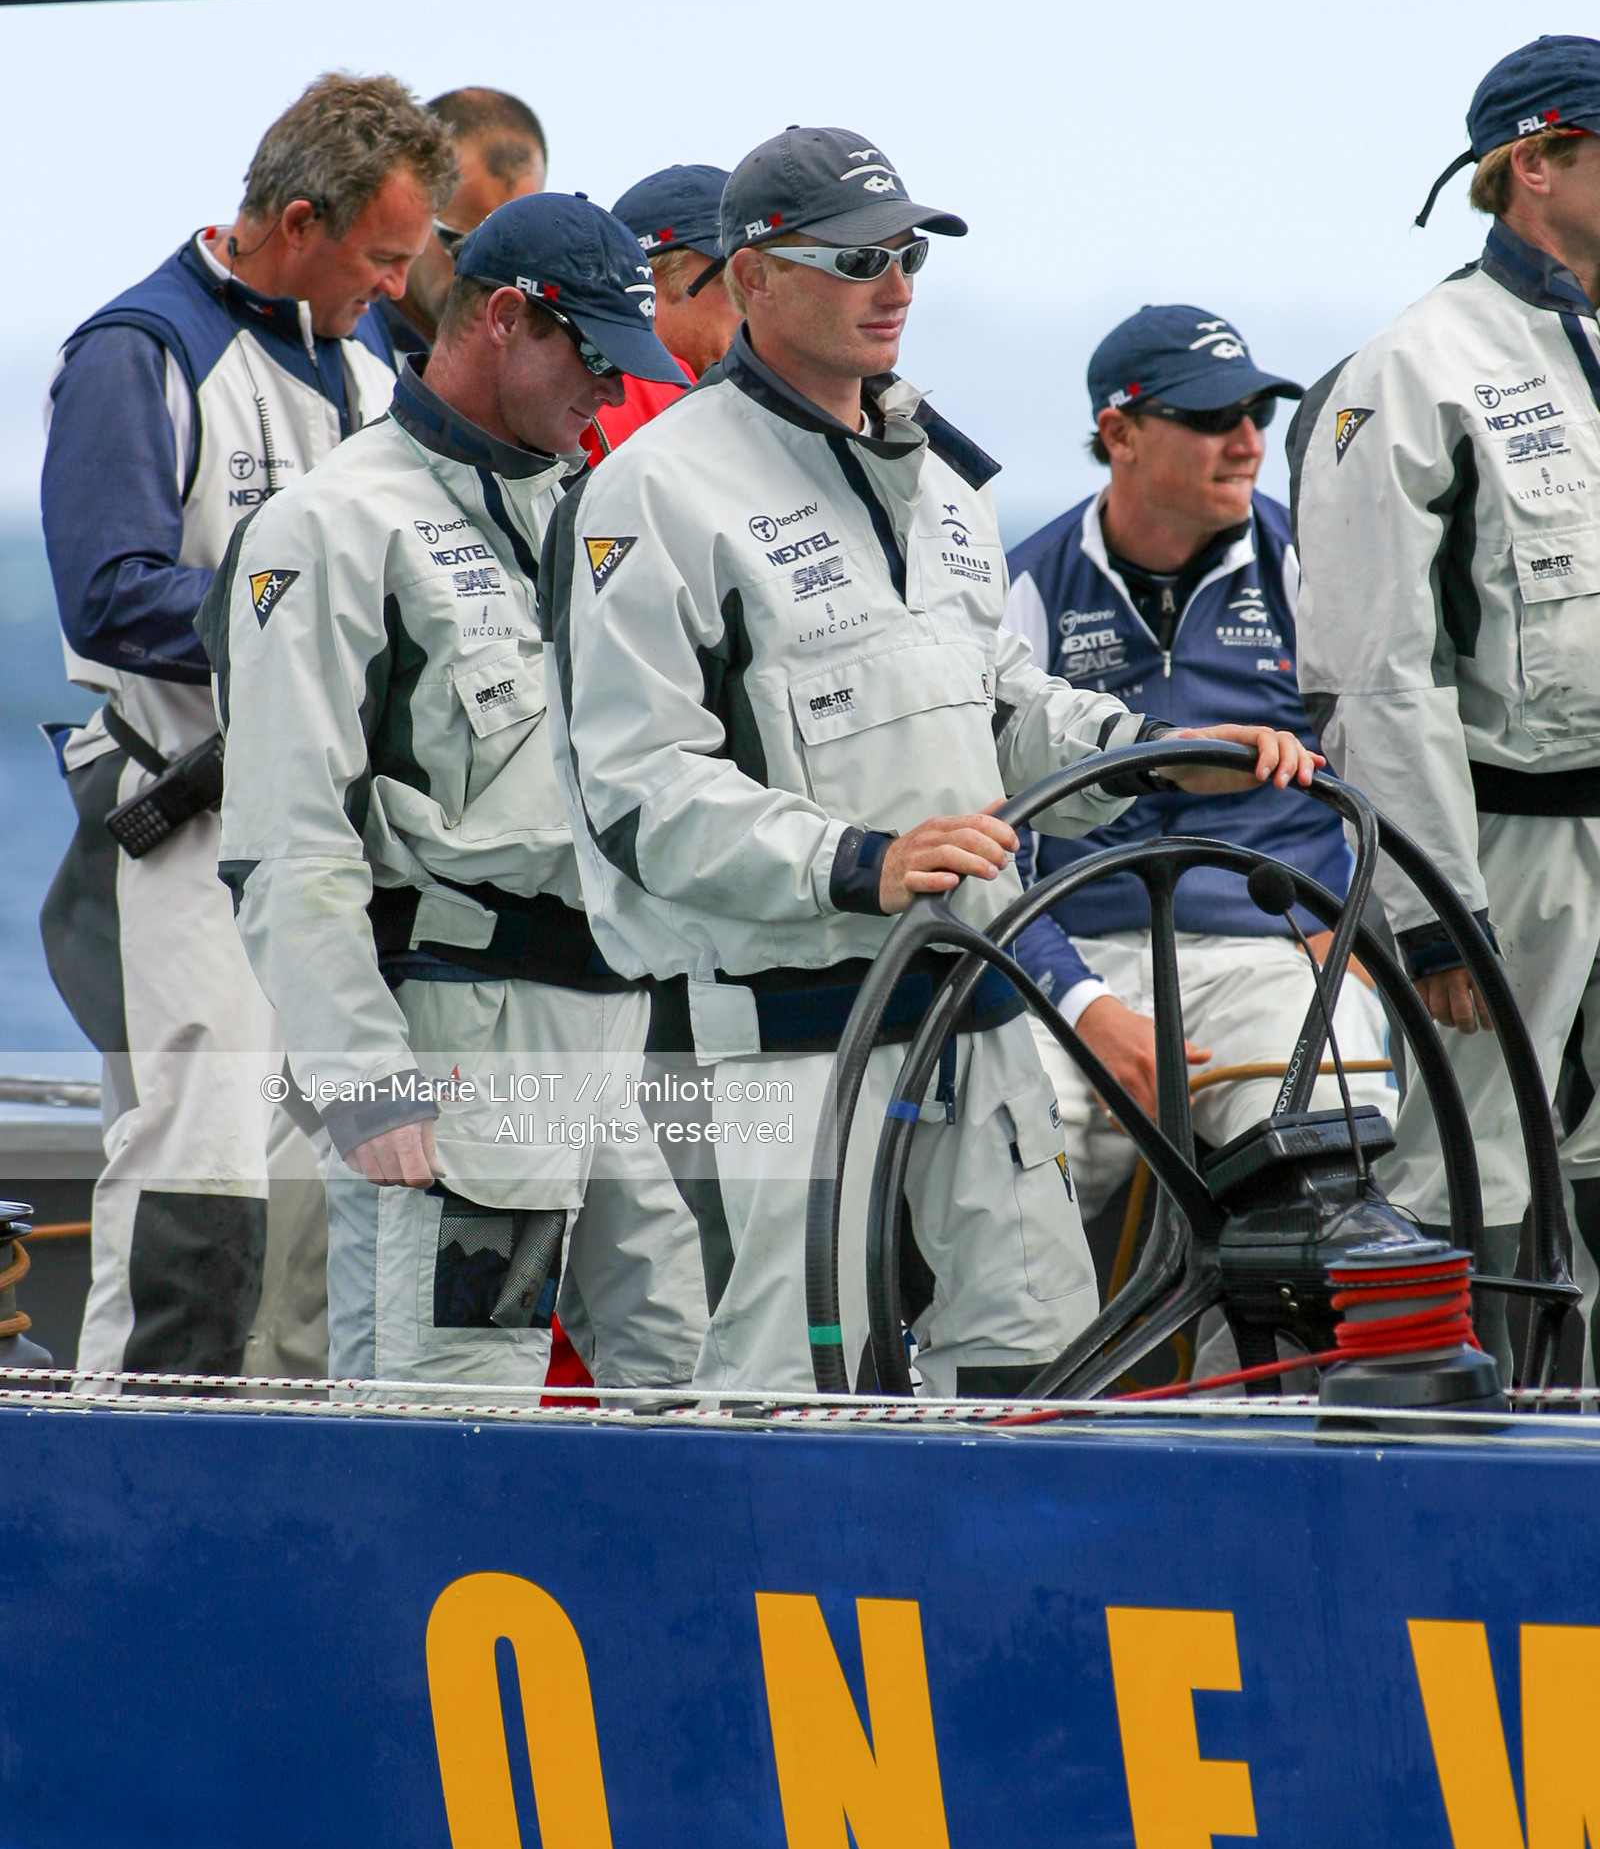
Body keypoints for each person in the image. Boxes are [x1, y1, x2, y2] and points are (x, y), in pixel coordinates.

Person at [543, 126, 1319, 1399]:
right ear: (752, 279)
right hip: (778, 1039)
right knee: (791, 1394)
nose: (894, 284)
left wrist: (1158, 754)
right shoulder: (650, 492)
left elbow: (1000, 701)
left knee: (1031, 1372)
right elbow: (637, 795)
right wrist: (862, 860)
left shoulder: (944, 482)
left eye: (907, 254)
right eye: (857, 260)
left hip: (979, 1010)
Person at [200, 194, 707, 1390]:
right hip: (462, 1057)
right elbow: (286, 838)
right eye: (593, 357)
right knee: (458, 1413)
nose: (609, 391)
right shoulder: (333, 525)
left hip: (614, 1038)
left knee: (686, 1388)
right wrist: (364, 1081)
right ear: (505, 318)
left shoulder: (591, 512)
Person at [40, 73, 453, 1381]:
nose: (397, 287)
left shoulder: (368, 363)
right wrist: (306, 612)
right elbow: (109, 595)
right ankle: (137, 1463)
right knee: (199, 1175)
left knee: (310, 1206)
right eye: (382, 258)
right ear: (298, 222)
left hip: (327, 842)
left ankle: (276, 1463)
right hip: (185, 825)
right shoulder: (140, 350)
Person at [1293, 34, 1600, 1369]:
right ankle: (1442, 1459)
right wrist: (1431, 919)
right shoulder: (1411, 369)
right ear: (1537, 163)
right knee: (1468, 1173)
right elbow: (1374, 671)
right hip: (1498, 845)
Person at [1005, 306, 1395, 1320]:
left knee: (1330, 1159)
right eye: (1212, 417)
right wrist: (1083, 1006)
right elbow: (990, 838)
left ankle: (1259, 1397)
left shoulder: (1311, 564)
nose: (1248, 441)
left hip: (1267, 949)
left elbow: (1389, 758)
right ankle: (1033, 1399)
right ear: (1120, 433)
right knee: (998, 1183)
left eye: (1256, 414)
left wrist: (1355, 927)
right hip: (1071, 961)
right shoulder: (1022, 588)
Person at [580, 164, 736, 462]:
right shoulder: (627, 396)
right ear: (648, 283)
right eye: (731, 281)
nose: (754, 301)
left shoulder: (575, 384)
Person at [380, 87, 547, 358]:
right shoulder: (341, 343)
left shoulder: (530, 366)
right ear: (408, 212)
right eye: (459, 244)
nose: (485, 275)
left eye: (513, 252)